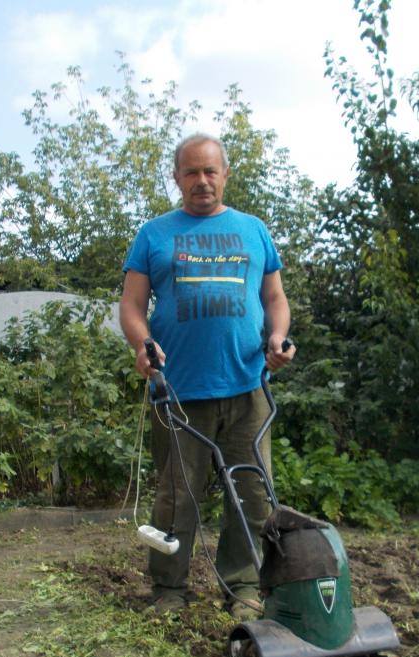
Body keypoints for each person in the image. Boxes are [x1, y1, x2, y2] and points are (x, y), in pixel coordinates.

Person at [119, 133, 296, 618]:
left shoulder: (253, 230)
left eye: (210, 171)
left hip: (247, 386)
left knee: (252, 496)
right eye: (191, 172)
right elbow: (132, 305)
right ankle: (168, 591)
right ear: (176, 178)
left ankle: (243, 588)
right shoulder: (154, 234)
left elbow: (275, 299)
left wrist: (277, 337)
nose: (201, 181)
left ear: (225, 175)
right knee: (178, 498)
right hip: (178, 391)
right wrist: (143, 343)